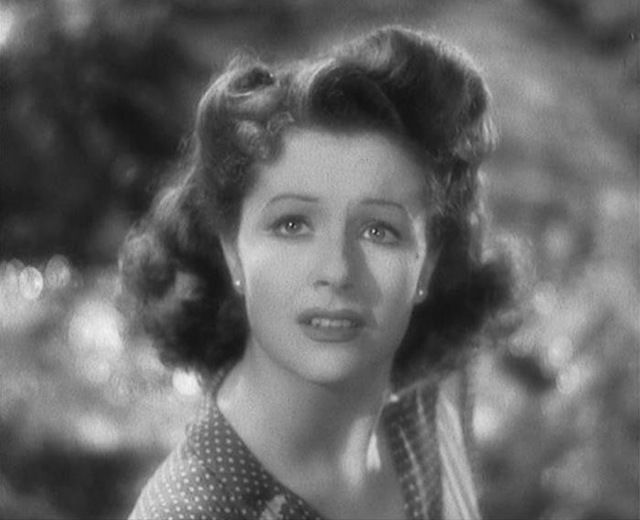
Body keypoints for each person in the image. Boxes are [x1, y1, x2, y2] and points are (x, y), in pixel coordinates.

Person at [120, 24, 515, 520]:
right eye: (292, 225)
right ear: (233, 252)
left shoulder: (438, 398)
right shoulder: (189, 512)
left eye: (379, 231)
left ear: (427, 264)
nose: (337, 270)